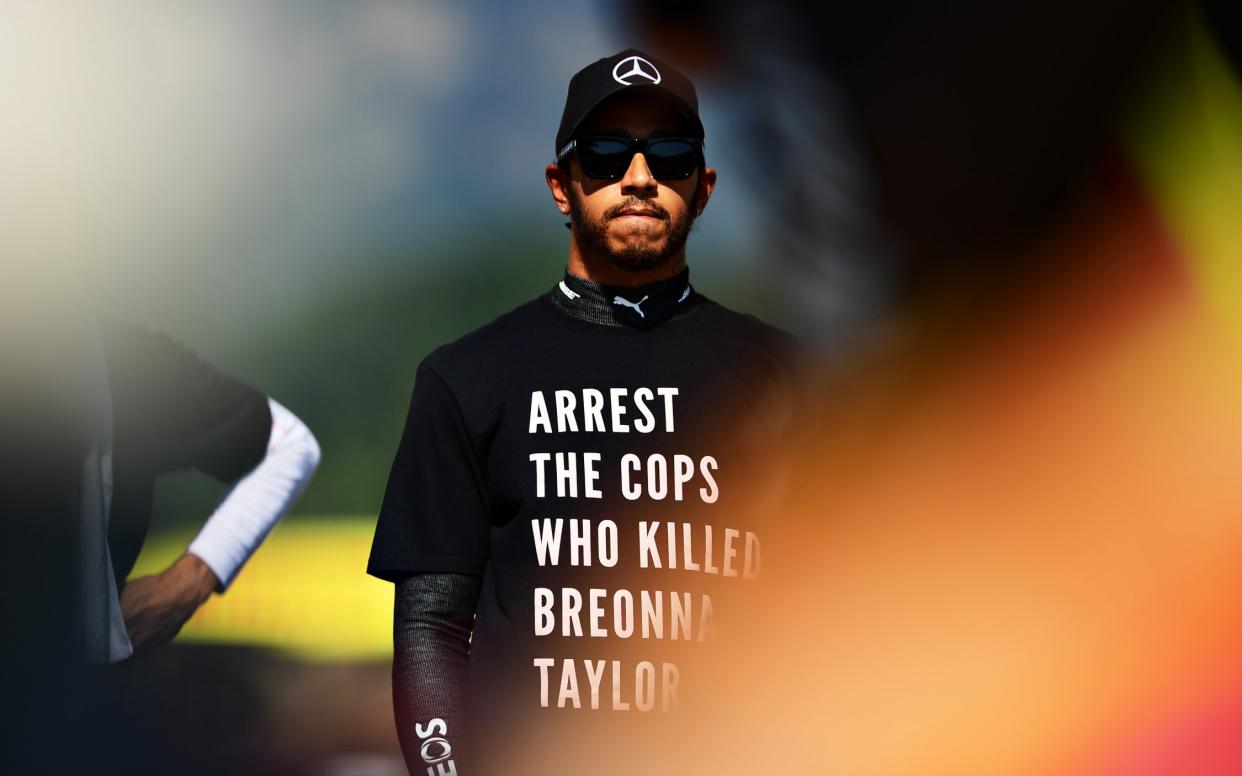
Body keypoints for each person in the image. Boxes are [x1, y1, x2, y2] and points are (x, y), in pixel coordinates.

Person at [367, 49, 793, 774]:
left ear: (705, 185)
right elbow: (433, 625)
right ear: (561, 186)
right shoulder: (464, 377)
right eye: (602, 156)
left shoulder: (789, 379)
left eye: (669, 155)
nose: (638, 177)